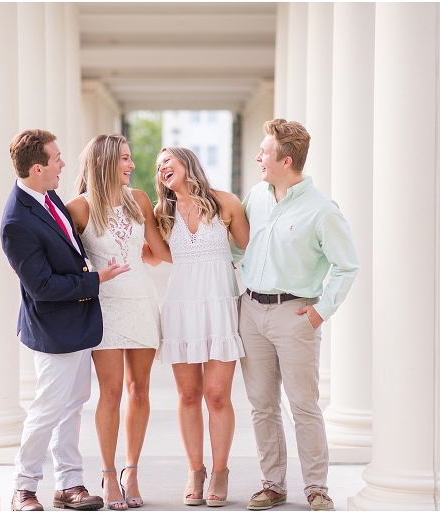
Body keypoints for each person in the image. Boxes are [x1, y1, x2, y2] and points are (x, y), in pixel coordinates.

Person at [234, 119, 359, 511]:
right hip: (251, 311)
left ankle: (317, 488)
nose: (258, 157)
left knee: (303, 405)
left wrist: (320, 312)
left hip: (295, 314)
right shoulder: (256, 195)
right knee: (261, 404)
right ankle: (272, 485)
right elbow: (240, 247)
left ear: (286, 160)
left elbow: (347, 265)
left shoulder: (322, 209)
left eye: (264, 152)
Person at [1, 129, 130, 512]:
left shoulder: (47, 195)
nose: (62, 164)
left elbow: (63, 252)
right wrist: (96, 279)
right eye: (56, 159)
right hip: (54, 327)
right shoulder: (16, 220)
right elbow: (42, 287)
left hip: (77, 322)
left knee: (72, 404)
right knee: (47, 408)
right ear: (37, 168)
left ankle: (69, 484)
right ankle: (23, 487)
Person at [66, 134, 171, 511]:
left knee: (139, 390)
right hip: (105, 307)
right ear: (102, 162)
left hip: (142, 302)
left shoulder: (139, 199)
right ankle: (108, 474)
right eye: (125, 159)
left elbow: (159, 253)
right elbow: (60, 256)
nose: (131, 165)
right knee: (110, 394)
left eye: (130, 158)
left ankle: (132, 471)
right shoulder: (78, 208)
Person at [153, 147, 250, 508]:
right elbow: (147, 252)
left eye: (168, 161)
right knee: (189, 395)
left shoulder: (225, 203)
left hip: (220, 308)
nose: (162, 168)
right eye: (158, 165)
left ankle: (221, 473)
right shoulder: (162, 212)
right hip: (181, 310)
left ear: (187, 163)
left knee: (218, 395)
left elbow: (252, 249)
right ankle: (196, 471)